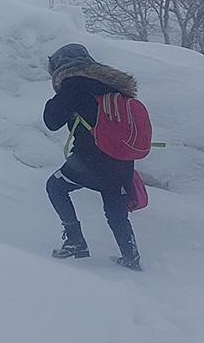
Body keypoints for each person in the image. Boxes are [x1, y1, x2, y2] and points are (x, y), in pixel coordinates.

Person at [43, 43, 142, 271]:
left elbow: (51, 120)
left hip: (88, 163)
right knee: (116, 212)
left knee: (55, 187)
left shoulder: (73, 85)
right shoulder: (114, 86)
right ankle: (131, 257)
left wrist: (59, 96)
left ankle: (75, 241)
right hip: (122, 160)